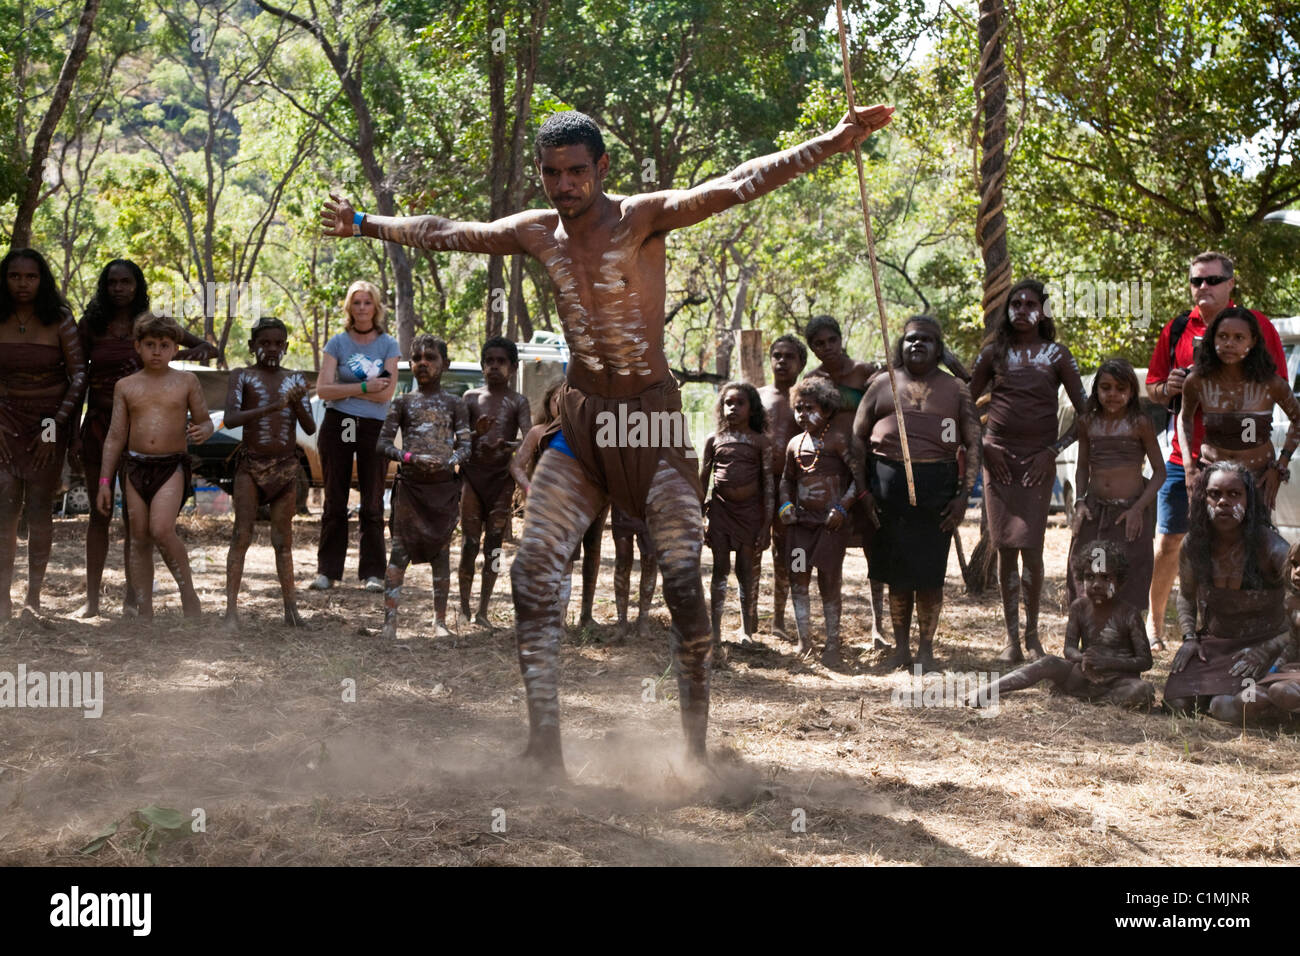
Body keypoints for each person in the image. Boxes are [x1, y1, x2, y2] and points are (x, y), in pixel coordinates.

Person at [323, 104, 894, 773]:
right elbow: (451, 231)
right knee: (533, 572)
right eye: (551, 173)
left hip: (651, 426)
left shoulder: (643, 216)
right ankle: (544, 748)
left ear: (602, 168)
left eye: (575, 172)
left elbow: (740, 182)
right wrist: (365, 223)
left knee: (682, 580)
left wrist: (831, 141)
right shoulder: (538, 233)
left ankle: (693, 751)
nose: (564, 185)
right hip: (585, 426)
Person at [1145, 251, 1287, 651]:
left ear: (1231, 283)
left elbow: (1274, 389)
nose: (1202, 288)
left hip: (1246, 467)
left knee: (1247, 544)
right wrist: (1169, 387)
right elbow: (1154, 388)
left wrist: (1274, 463)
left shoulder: (1259, 326)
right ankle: (1155, 627)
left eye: (1211, 280)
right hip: (1185, 459)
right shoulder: (1176, 330)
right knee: (1171, 542)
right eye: (1196, 281)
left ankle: (1238, 632)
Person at [73, 259, 217, 618]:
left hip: (160, 449)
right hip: (104, 424)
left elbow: (206, 352)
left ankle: (140, 599)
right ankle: (105, 602)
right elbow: (77, 378)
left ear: (137, 285)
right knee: (106, 517)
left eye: (126, 282)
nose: (119, 288)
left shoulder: (158, 335)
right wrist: (70, 430)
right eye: (112, 282)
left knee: (151, 528)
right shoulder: (92, 326)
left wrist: (178, 356)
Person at [969, 278, 1086, 663]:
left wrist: (1052, 451)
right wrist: (985, 444)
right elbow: (964, 406)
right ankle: (1010, 641)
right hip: (998, 460)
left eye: (1030, 303)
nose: (1022, 309)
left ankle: (1033, 636)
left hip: (1038, 461)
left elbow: (1085, 416)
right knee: (1005, 551)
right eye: (1015, 303)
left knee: (1032, 549)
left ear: (1043, 310)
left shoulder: (1057, 355)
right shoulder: (993, 354)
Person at [853, 316, 979, 673]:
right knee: (896, 574)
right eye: (910, 340)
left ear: (938, 348)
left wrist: (962, 497)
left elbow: (973, 442)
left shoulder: (956, 389)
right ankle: (901, 649)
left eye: (925, 340)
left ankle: (926, 649)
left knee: (928, 575)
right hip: (885, 489)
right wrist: (864, 492)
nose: (916, 345)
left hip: (936, 489)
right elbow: (856, 439)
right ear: (901, 346)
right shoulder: (881, 385)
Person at [96, 313, 213, 620]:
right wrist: (105, 482)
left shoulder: (186, 381)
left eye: (164, 345)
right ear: (137, 346)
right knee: (138, 537)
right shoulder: (126, 386)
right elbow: (115, 436)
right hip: (134, 467)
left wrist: (204, 431)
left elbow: (205, 420)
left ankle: (188, 592)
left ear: (175, 348)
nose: (157, 351)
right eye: (150, 344)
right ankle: (144, 608)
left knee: (161, 529)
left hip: (170, 466)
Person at [1164, 462, 1291, 722]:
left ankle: (1279, 705)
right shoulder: (1194, 544)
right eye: (1215, 494)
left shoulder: (1271, 547)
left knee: (1226, 707)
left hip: (1267, 646)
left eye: (1234, 495)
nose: (1224, 502)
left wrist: (1269, 648)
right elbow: (1186, 596)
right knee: (1177, 704)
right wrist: (1189, 638)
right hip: (1216, 645)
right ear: (1203, 499)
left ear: (1248, 500)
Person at [0, 248, 86, 622]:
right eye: (15, 276)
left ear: (42, 280)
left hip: (50, 421)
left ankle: (33, 599)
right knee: (4, 507)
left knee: (39, 507)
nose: (22, 283)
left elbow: (79, 374)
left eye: (31, 277)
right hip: (3, 419)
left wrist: (54, 428)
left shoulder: (60, 319)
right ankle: (2, 598)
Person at [973, 539, 1155, 709]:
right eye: (1090, 577)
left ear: (1120, 581)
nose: (1097, 584)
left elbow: (1145, 661)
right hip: (1084, 675)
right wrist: (1083, 660)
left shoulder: (1129, 614)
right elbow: (1069, 649)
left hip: (1118, 682)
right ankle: (990, 690)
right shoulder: (1079, 607)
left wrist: (1108, 663)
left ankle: (1096, 699)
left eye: (1105, 578)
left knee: (1143, 689)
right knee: (1048, 662)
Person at [222, 317, 315, 632]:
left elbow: (310, 427)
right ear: (252, 347)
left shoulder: (294, 378)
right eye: (264, 343)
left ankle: (291, 610)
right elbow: (232, 419)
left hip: (286, 469)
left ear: (286, 347)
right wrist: (273, 407)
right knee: (241, 536)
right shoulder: (242, 376)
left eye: (278, 343)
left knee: (283, 541)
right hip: (250, 466)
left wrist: (297, 401)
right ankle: (231, 612)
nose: (271, 349)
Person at [803, 314, 890, 648]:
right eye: (819, 344)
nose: (827, 348)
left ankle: (878, 626)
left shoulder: (866, 372)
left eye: (831, 341)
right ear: (812, 349)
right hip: (829, 471)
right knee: (829, 547)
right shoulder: (813, 379)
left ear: (841, 339)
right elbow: (804, 420)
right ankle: (830, 630)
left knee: (874, 544)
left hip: (867, 465)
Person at [377, 335, 471, 640]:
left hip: (442, 490)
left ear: (446, 363)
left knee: (441, 554)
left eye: (430, 358)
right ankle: (389, 624)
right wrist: (409, 457)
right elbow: (382, 443)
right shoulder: (402, 402)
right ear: (409, 364)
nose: (423, 364)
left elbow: (467, 446)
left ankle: (440, 622)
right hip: (411, 489)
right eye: (417, 358)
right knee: (399, 554)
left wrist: (449, 461)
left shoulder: (456, 404)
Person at [309, 280, 399, 592]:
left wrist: (345, 391)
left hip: (373, 426)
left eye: (367, 302)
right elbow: (323, 390)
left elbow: (386, 394)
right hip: (338, 424)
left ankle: (373, 573)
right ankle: (327, 572)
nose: (362, 308)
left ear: (376, 308)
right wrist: (361, 388)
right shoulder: (337, 343)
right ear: (350, 308)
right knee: (335, 498)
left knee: (372, 501)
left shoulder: (388, 345)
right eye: (357, 303)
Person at [779, 376, 870, 667]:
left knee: (829, 580)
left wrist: (842, 508)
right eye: (799, 408)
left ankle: (832, 643)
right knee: (797, 576)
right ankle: (804, 641)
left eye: (810, 408)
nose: (803, 414)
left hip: (830, 526)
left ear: (828, 409)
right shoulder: (794, 444)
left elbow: (857, 480)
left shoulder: (838, 441)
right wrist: (785, 506)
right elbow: (786, 481)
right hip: (800, 525)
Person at [1066, 358, 1165, 613]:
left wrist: (1138, 509)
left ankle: (1124, 642)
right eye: (1106, 387)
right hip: (1094, 510)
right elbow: (1082, 468)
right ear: (1096, 390)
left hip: (1129, 513)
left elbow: (1160, 472)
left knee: (1129, 575)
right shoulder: (1087, 422)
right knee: (1086, 570)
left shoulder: (1139, 423)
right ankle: (1088, 636)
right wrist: (1079, 503)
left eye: (1121, 389)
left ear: (1132, 392)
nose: (1113, 394)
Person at [1178, 306, 1300, 509]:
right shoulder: (1197, 381)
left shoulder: (1271, 383)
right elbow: (1185, 419)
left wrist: (1280, 466)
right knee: (1210, 539)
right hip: (1212, 478)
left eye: (1238, 338)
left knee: (1254, 539)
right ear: (1212, 340)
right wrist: (1189, 468)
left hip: (1257, 479)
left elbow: (1298, 420)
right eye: (1223, 336)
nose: (1229, 344)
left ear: (1252, 342)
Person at [509, 379, 605, 630]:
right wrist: (529, 488)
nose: (562, 404)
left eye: (570, 400)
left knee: (568, 564)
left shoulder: (589, 435)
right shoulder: (538, 432)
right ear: (548, 402)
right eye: (557, 399)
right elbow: (517, 465)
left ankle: (560, 621)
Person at [459, 336, 531, 629]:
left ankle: (483, 610)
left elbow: (529, 439)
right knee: (469, 543)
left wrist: (507, 445)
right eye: (489, 361)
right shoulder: (470, 399)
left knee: (494, 546)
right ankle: (463, 608)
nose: (494, 367)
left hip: (501, 481)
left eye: (501, 362)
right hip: (473, 479)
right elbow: (459, 440)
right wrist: (476, 436)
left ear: (513, 367)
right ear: (482, 365)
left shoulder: (518, 401)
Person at [699, 381, 773, 653]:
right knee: (720, 570)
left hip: (750, 514)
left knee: (745, 571)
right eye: (728, 403)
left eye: (739, 403)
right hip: (720, 511)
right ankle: (715, 630)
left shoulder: (760, 442)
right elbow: (703, 479)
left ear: (752, 408)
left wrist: (766, 524)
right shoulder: (713, 440)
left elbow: (769, 487)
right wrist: (700, 515)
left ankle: (746, 628)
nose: (733, 408)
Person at [758, 334, 806, 641]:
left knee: (786, 552)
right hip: (757, 486)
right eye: (776, 355)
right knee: (752, 549)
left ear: (801, 363)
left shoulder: (805, 399)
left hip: (793, 488)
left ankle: (779, 619)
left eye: (789, 356)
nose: (781, 361)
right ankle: (749, 621)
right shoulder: (756, 396)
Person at [611, 503, 657, 641]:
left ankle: (643, 620)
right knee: (622, 560)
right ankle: (621, 622)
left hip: (649, 502)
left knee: (650, 558)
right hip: (622, 501)